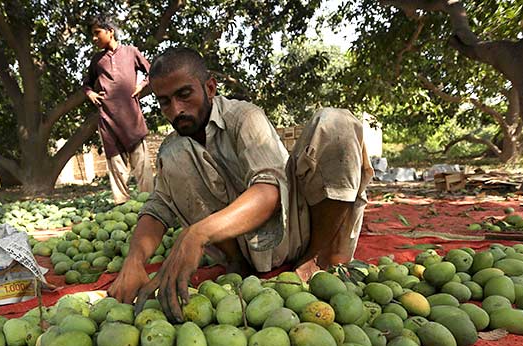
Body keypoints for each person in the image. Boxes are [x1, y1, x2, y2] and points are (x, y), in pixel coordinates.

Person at [107, 47, 373, 322]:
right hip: (244, 247)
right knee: (173, 154)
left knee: (336, 123)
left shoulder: (245, 118)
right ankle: (238, 264)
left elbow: (268, 189)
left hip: (295, 227)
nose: (176, 110)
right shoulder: (174, 146)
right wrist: (135, 260)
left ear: (210, 87)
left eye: (184, 95)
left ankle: (317, 259)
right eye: (164, 102)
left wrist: (198, 234)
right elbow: (158, 207)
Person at [83, 15, 153, 204]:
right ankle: (121, 205)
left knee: (142, 166)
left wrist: (142, 86)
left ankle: (151, 206)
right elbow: (87, 85)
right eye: (92, 34)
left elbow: (151, 71)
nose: (94, 38)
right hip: (108, 120)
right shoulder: (97, 60)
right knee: (116, 166)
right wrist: (90, 94)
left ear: (110, 31)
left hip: (132, 120)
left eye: (97, 33)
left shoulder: (131, 52)